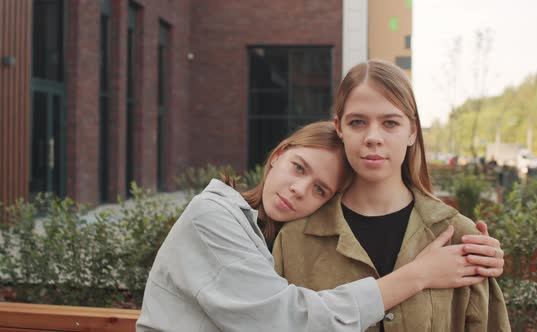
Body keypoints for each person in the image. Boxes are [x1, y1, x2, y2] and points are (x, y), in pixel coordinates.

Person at [137, 121, 505, 332]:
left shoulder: (277, 236)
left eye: (319, 190)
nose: (299, 190)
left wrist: (485, 254)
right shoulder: (213, 217)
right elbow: (285, 321)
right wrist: (418, 276)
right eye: (299, 167)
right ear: (278, 155)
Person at [273, 61, 511, 332]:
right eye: (358, 122)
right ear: (339, 127)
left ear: (412, 131)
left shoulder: (460, 238)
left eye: (390, 123)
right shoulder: (294, 240)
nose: (373, 137)